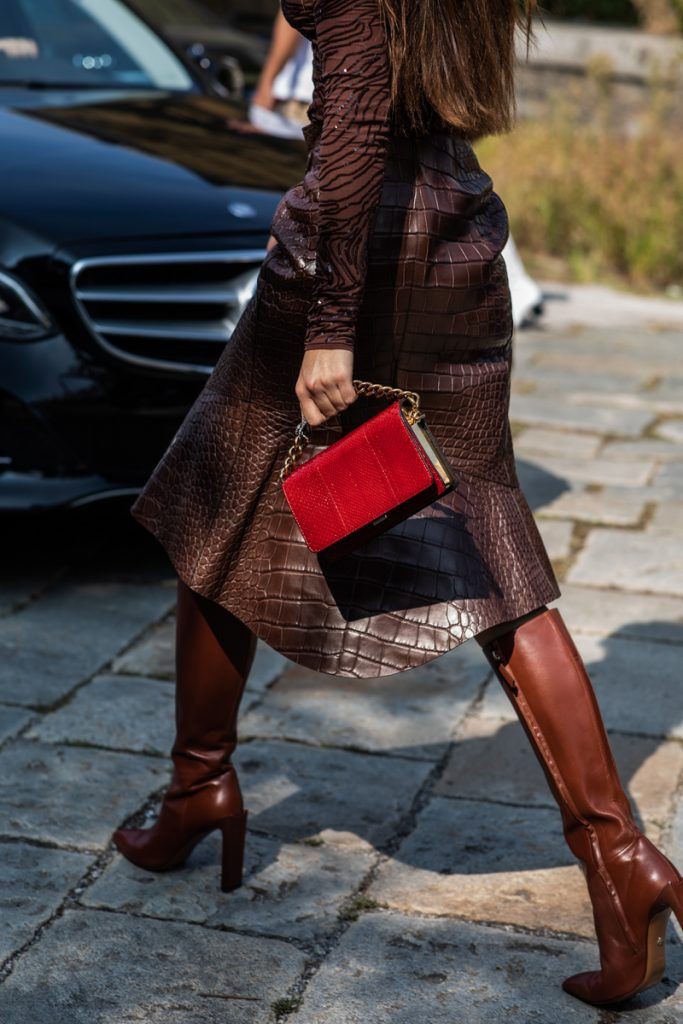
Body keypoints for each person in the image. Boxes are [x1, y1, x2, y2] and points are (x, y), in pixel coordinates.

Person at [113, 0, 682, 1007]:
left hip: (351, 246)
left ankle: (199, 783)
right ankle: (618, 854)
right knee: (492, 544)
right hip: (456, 231)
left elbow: (355, 120)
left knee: (213, 506)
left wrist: (330, 328)